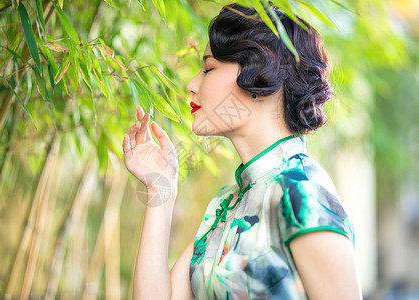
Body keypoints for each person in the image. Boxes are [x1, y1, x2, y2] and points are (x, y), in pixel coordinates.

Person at [123, 2, 362, 299]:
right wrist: (162, 190)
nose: (191, 84)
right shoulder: (225, 206)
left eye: (208, 68)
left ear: (261, 72)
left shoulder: (302, 193)